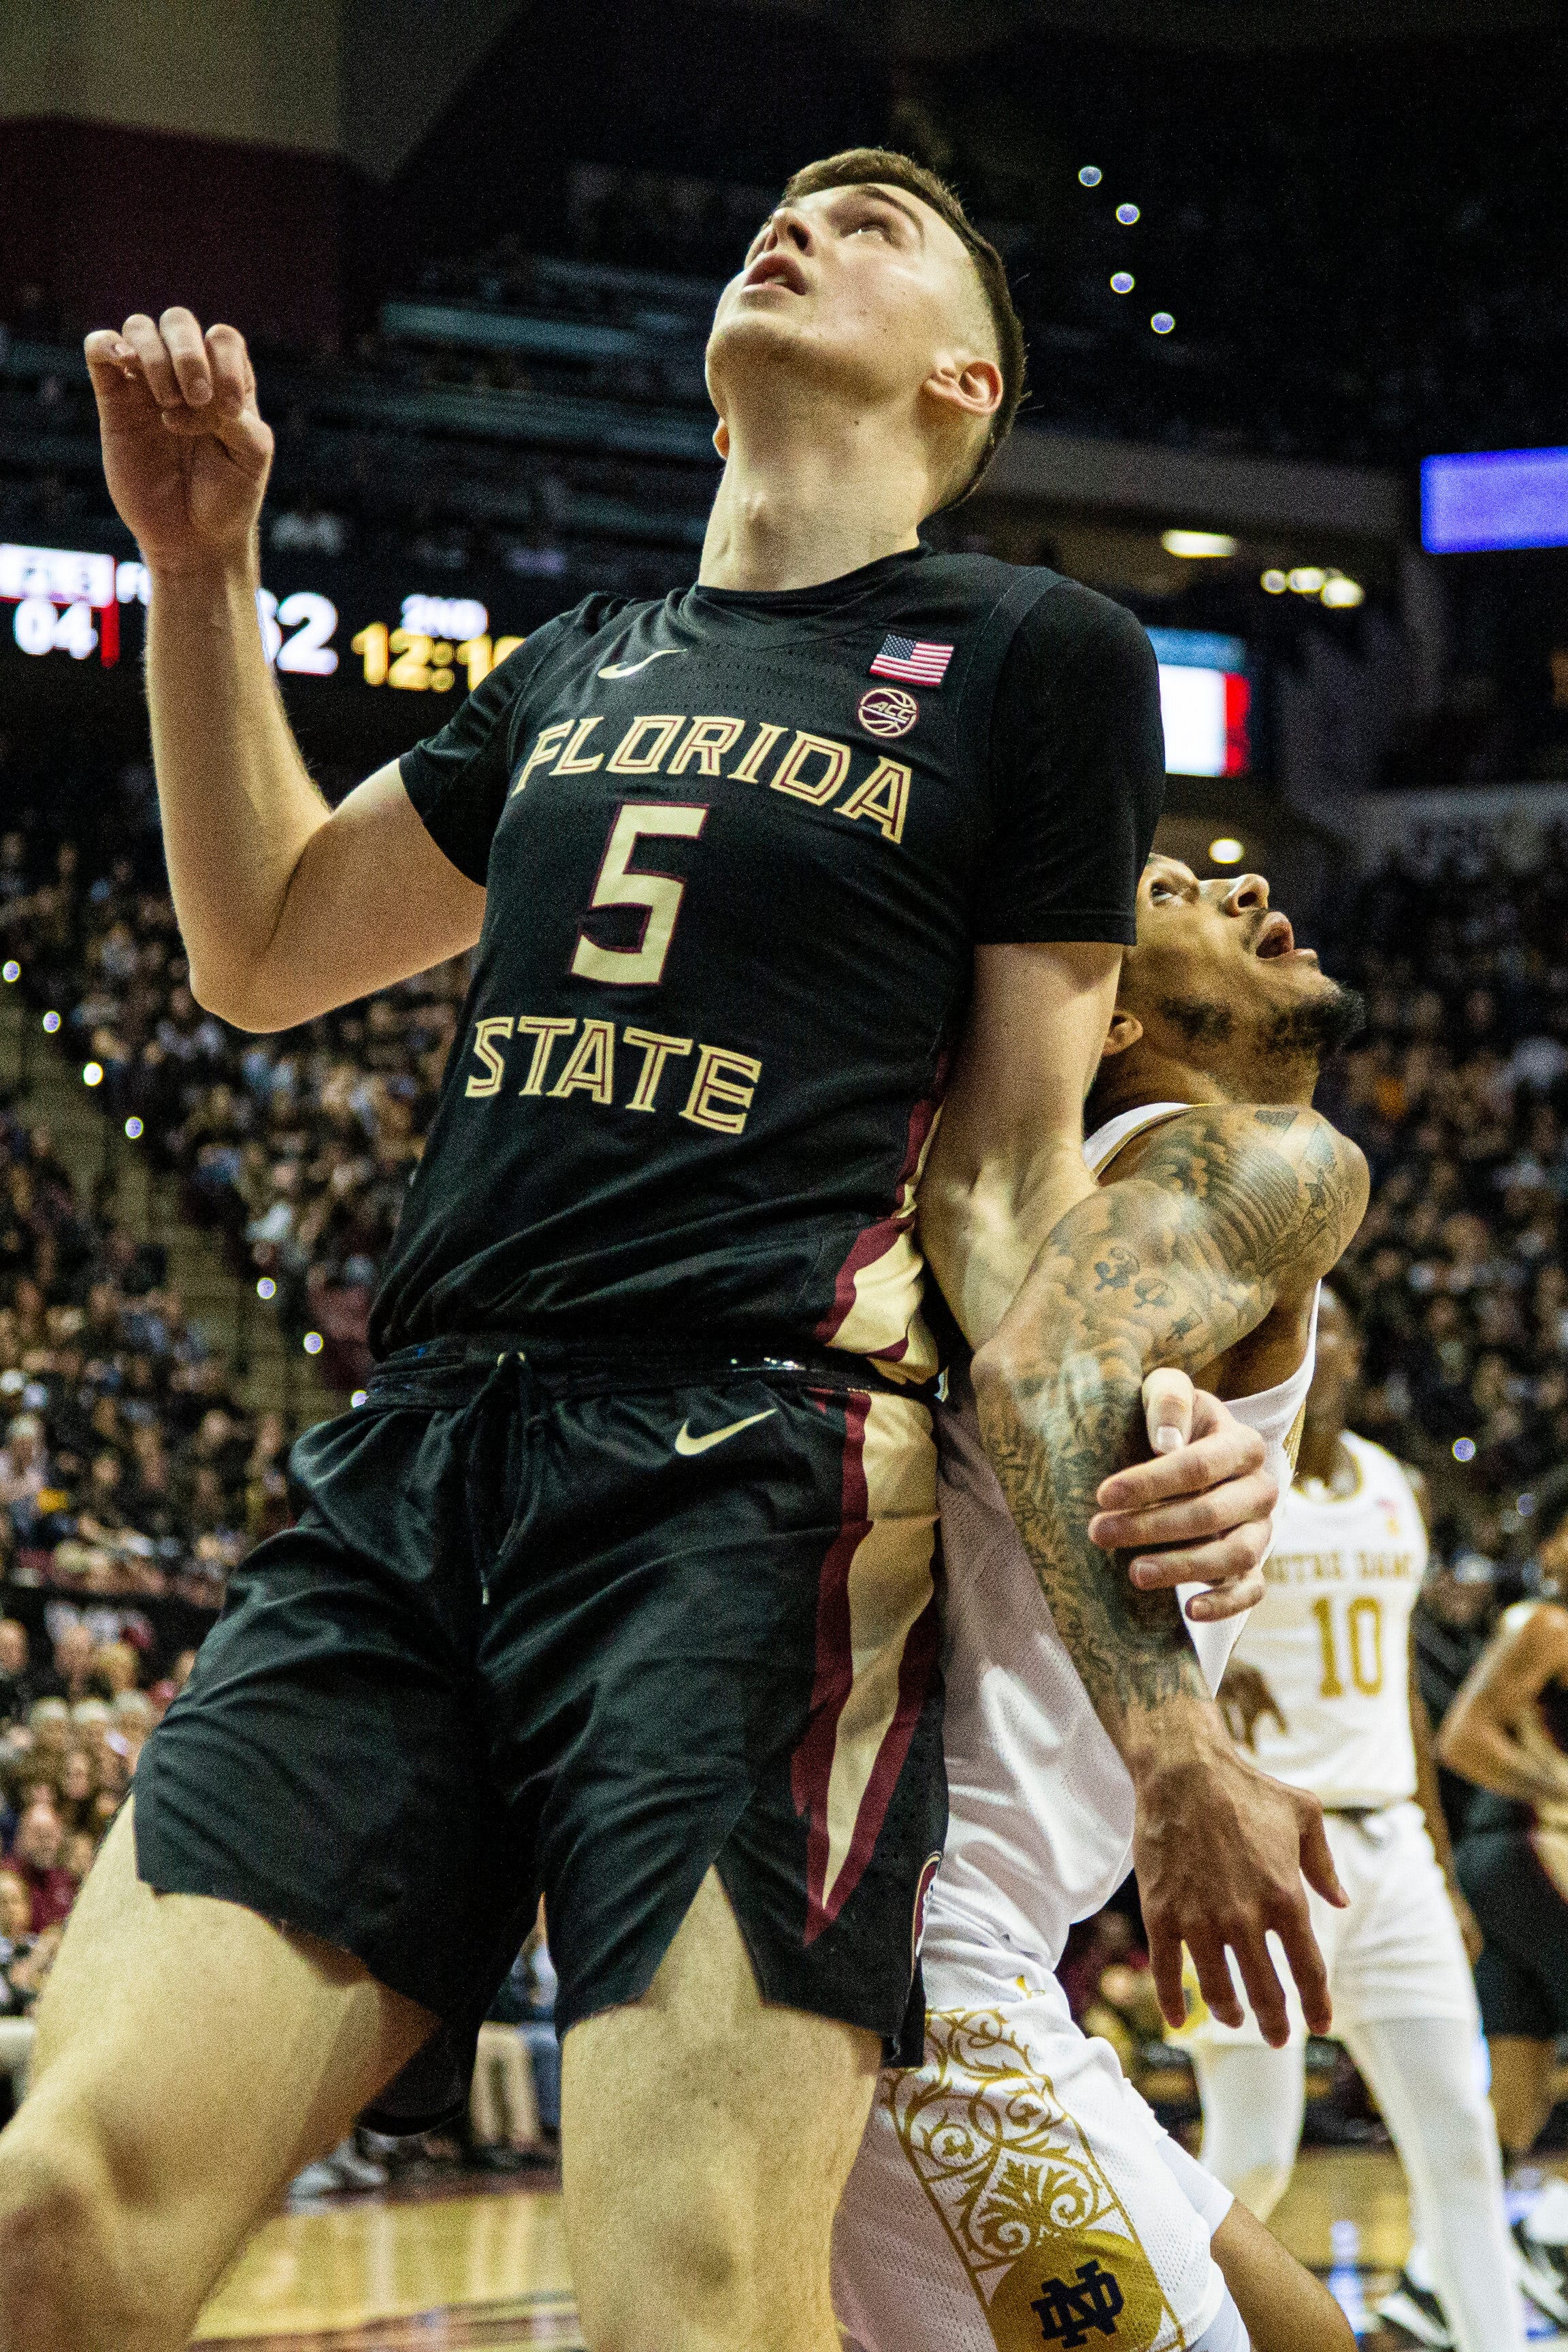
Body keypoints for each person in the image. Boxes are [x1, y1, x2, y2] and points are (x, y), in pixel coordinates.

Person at [1, 152, 1316, 2352]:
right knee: (61, 2212)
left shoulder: (1032, 650)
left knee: (689, 2299)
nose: (800, 219)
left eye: (876, 217)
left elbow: (1005, 1191)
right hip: (412, 1463)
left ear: (959, 373)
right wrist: (200, 563)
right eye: (786, 205)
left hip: (744, 1487)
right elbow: (257, 945)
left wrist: (1164, 1702)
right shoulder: (574, 665)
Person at [835, 853, 1364, 2352]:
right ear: (1108, 1015)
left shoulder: (1021, 1206)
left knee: (1304, 2334)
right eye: (1172, 885)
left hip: (973, 1932)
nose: (1241, 876)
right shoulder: (1261, 1156)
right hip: (919, 1942)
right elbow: (1049, 1374)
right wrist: (1181, 1748)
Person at [1187, 1288, 1526, 2352]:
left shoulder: (1392, 1484)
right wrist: (1202, 1689)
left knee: (1461, 2141)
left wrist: (1435, 1849)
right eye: (1297, 1326)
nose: (1316, 1344)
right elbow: (1140, 1636)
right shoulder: (1224, 1469)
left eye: (1331, 1326)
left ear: (1354, 1353)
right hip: (1261, 1848)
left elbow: (1402, 1697)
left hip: (1388, 1847)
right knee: (1253, 2153)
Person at [1441, 1473, 1568, 2313]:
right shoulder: (1548, 1625)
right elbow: (1461, 1737)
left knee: (1515, 2100)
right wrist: (1554, 1782)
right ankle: (1551, 2236)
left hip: (1510, 1858)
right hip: (1524, 1845)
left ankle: (1435, 2274)